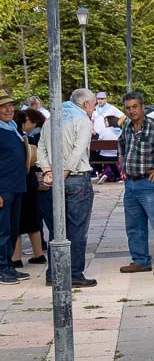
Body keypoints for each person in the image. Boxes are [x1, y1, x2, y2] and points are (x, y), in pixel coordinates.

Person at [36, 89, 98, 288]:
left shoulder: (52, 116)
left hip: (53, 178)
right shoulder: (83, 120)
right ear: (87, 104)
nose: (94, 109)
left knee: (57, 228)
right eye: (94, 105)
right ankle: (74, 274)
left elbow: (41, 147)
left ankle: (53, 273)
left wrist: (47, 171)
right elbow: (78, 151)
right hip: (76, 178)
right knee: (77, 229)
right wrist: (64, 173)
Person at [117, 91, 154, 276]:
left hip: (150, 185)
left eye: (135, 106)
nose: (132, 111)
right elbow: (122, 145)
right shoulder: (127, 127)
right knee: (134, 226)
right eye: (128, 108)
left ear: (142, 107)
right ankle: (140, 260)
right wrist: (123, 164)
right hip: (131, 184)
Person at [11, 109, 47, 269]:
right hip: (30, 181)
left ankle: (15, 258)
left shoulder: (13, 137)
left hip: (18, 182)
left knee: (16, 220)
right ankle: (38, 254)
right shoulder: (24, 138)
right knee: (33, 218)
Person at [0, 90, 28, 285]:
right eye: (4, 106)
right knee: (2, 230)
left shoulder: (11, 127)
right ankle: (2, 268)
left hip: (17, 185)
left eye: (11, 105)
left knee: (13, 228)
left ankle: (8, 265)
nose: (9, 109)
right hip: (4, 188)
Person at [96, 115, 121, 182]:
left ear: (110, 121)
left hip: (103, 157)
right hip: (117, 157)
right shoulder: (120, 131)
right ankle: (118, 176)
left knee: (94, 155)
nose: (104, 122)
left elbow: (98, 143)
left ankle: (100, 173)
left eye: (105, 121)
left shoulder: (103, 131)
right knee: (112, 161)